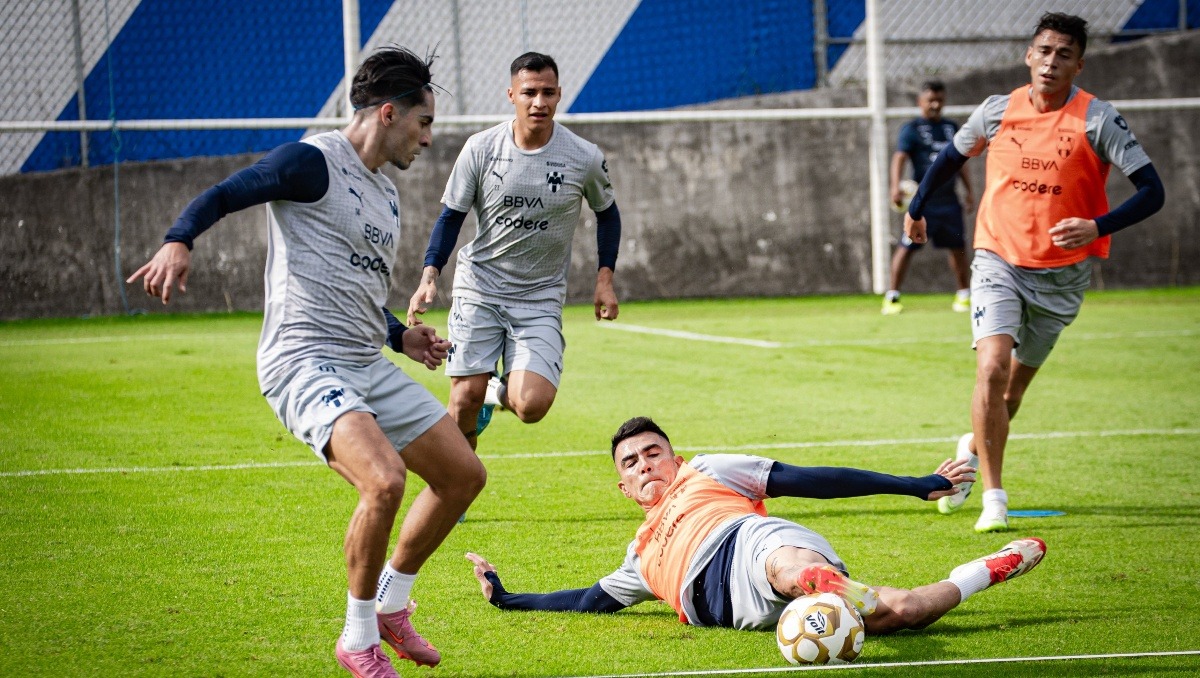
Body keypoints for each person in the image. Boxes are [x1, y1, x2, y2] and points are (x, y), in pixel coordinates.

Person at [126, 47, 487, 677]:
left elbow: (355, 289)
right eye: (423, 122)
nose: (428, 138)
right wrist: (178, 240)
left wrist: (399, 337)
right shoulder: (312, 161)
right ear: (387, 113)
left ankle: (390, 605)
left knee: (462, 476)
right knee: (383, 482)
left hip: (363, 361)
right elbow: (226, 192)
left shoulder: (386, 194)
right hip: (303, 361)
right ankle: (358, 638)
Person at [904, 13, 1165, 532]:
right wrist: (916, 207)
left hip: (1062, 277)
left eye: (1063, 54)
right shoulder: (997, 111)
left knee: (1011, 395)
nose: (1051, 62)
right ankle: (994, 498)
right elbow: (950, 158)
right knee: (991, 368)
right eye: (1043, 51)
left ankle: (970, 450)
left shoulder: (1098, 120)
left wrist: (1097, 226)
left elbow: (1152, 191)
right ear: (1029, 56)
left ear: (1078, 65)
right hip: (997, 257)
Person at [464, 417, 1046, 634]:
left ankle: (817, 581)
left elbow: (812, 478)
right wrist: (509, 599)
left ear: (675, 458)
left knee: (786, 569)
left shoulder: (707, 471)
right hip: (734, 608)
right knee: (904, 611)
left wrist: (914, 484)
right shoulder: (637, 559)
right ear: (624, 488)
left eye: (653, 453)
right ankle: (982, 573)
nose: (644, 465)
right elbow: (588, 601)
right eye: (631, 462)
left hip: (749, 543)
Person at [407, 51, 622, 450]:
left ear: (559, 95)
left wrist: (604, 279)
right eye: (529, 93)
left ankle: (494, 391)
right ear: (511, 95)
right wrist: (429, 275)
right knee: (463, 399)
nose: (539, 102)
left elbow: (608, 214)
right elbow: (451, 216)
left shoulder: (584, 157)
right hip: (480, 289)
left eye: (548, 93)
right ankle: (458, 484)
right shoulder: (481, 148)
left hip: (539, 297)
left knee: (531, 405)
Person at [883, 80, 975, 315]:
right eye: (930, 100)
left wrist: (969, 191)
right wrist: (895, 186)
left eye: (939, 100)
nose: (935, 105)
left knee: (957, 247)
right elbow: (899, 157)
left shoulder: (951, 128)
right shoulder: (911, 129)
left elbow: (961, 162)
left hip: (949, 201)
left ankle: (963, 294)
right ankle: (892, 296)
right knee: (907, 246)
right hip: (923, 203)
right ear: (920, 101)